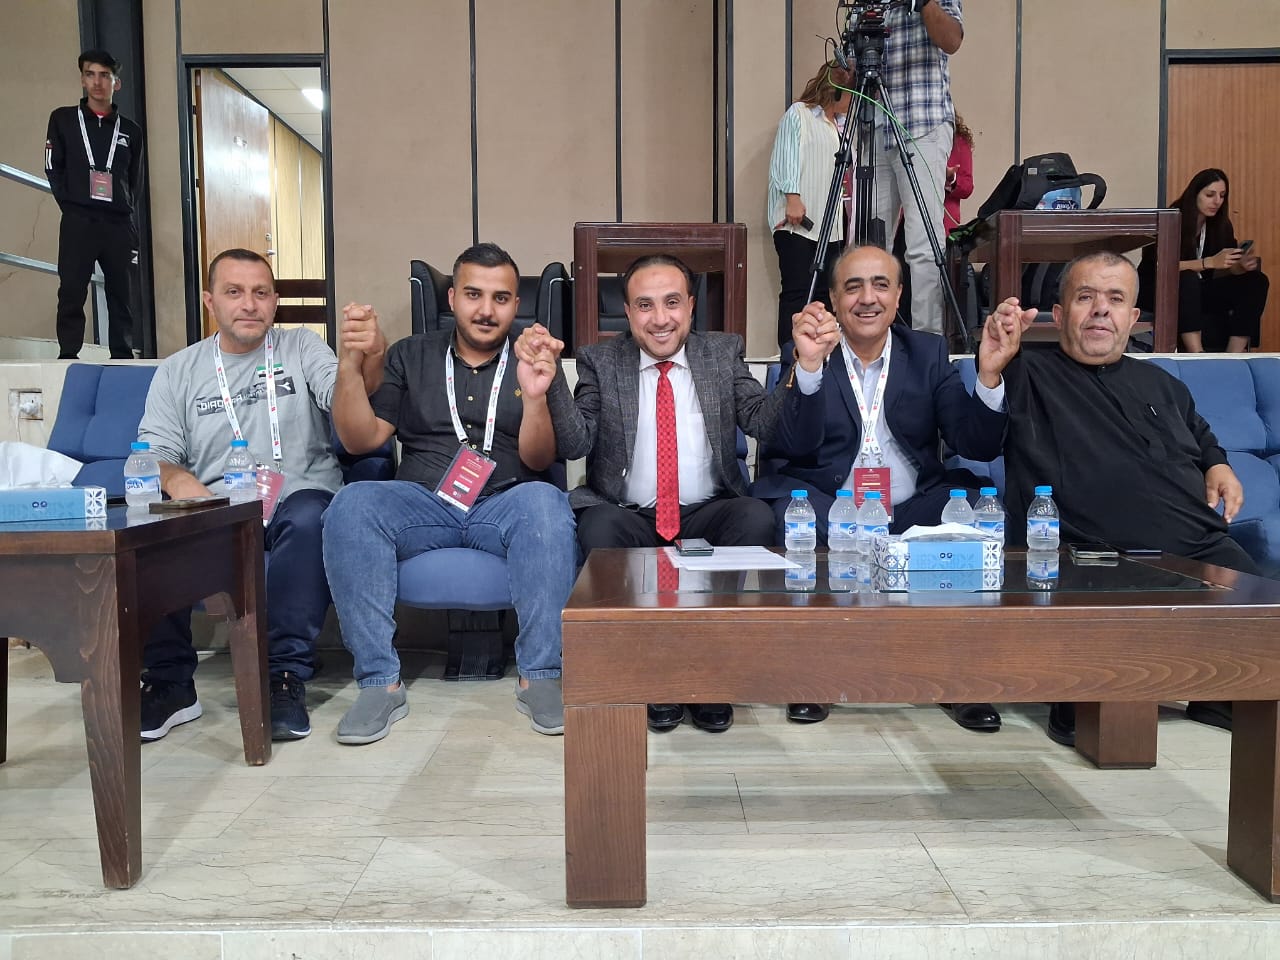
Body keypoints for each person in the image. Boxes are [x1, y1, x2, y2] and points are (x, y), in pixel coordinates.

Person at [534, 253, 832, 734]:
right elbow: (575, 444)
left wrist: (807, 364)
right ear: (628, 313)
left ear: (691, 306)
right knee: (599, 524)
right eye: (645, 305)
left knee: (754, 516)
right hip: (628, 513)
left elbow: (764, 423)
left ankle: (710, 671)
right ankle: (647, 669)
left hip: (705, 512)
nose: (660, 319)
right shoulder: (600, 360)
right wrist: (551, 387)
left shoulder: (721, 352)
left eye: (672, 302)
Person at [756, 244, 1019, 731]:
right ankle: (813, 677)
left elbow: (975, 444)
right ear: (834, 300)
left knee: (968, 515)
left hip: (912, 504)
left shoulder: (927, 353)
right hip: (833, 504)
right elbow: (788, 443)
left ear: (899, 296)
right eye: (852, 287)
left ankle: (961, 679)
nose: (867, 298)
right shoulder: (811, 351)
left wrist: (988, 374)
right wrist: (808, 369)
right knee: (793, 519)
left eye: (881, 285)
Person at [322, 242, 577, 743]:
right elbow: (360, 440)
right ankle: (379, 683)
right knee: (352, 504)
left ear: (516, 304)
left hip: (506, 499)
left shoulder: (534, 355)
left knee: (547, 502)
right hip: (421, 503)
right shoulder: (411, 354)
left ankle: (541, 676)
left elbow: (540, 459)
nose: (486, 310)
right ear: (453, 297)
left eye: (500, 298)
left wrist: (536, 395)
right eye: (474, 295)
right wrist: (350, 364)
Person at [1000, 250, 1256, 743]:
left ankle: (1218, 694)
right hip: (1094, 554)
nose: (1101, 309)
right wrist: (993, 364)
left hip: (1199, 545)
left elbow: (1199, 434)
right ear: (1060, 314)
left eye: (1115, 299)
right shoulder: (1025, 374)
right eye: (1086, 297)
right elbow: (976, 432)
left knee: (1264, 605)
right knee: (1109, 718)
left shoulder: (1161, 382)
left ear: (1133, 317)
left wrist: (1218, 463)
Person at [136, 248, 385, 742]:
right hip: (216, 509)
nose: (249, 304)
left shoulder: (301, 347)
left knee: (311, 515)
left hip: (300, 497)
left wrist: (366, 357)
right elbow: (154, 453)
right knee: (151, 526)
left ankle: (283, 677)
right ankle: (170, 684)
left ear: (275, 302)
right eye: (234, 292)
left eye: (260, 293)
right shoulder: (179, 370)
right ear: (210, 301)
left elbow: (348, 399)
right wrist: (179, 479)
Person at [869, 0, 964, 335]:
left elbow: (952, 39)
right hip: (874, 130)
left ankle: (927, 343)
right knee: (870, 246)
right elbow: (851, 72)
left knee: (923, 245)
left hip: (922, 122)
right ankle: (869, 338)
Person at [45, 50, 145, 360]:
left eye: (104, 75)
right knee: (72, 289)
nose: (97, 82)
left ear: (117, 83)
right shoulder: (63, 119)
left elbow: (135, 179)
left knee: (122, 293)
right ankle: (68, 354)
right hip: (79, 219)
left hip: (118, 223)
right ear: (82, 80)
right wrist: (72, 202)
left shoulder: (130, 130)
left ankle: (122, 355)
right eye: (90, 74)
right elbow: (52, 166)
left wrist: (124, 209)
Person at [767, 59, 853, 351]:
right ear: (837, 89)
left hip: (831, 227)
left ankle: (823, 353)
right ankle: (789, 354)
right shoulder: (800, 113)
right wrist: (792, 197)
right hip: (798, 223)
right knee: (798, 292)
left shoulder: (839, 127)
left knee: (828, 295)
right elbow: (786, 156)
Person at [1138, 168, 1268, 353]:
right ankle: (1197, 353)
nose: (1217, 201)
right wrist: (1208, 262)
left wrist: (1240, 266)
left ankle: (1234, 354)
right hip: (1159, 289)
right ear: (1195, 194)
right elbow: (1162, 266)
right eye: (1210, 195)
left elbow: (1225, 269)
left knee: (1257, 281)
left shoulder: (1220, 224)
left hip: (1197, 290)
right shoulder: (1171, 219)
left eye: (1222, 196)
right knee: (1188, 278)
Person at [943, 113, 974, 234]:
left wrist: (951, 179)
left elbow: (967, 186)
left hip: (945, 219)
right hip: (911, 216)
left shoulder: (959, 142)